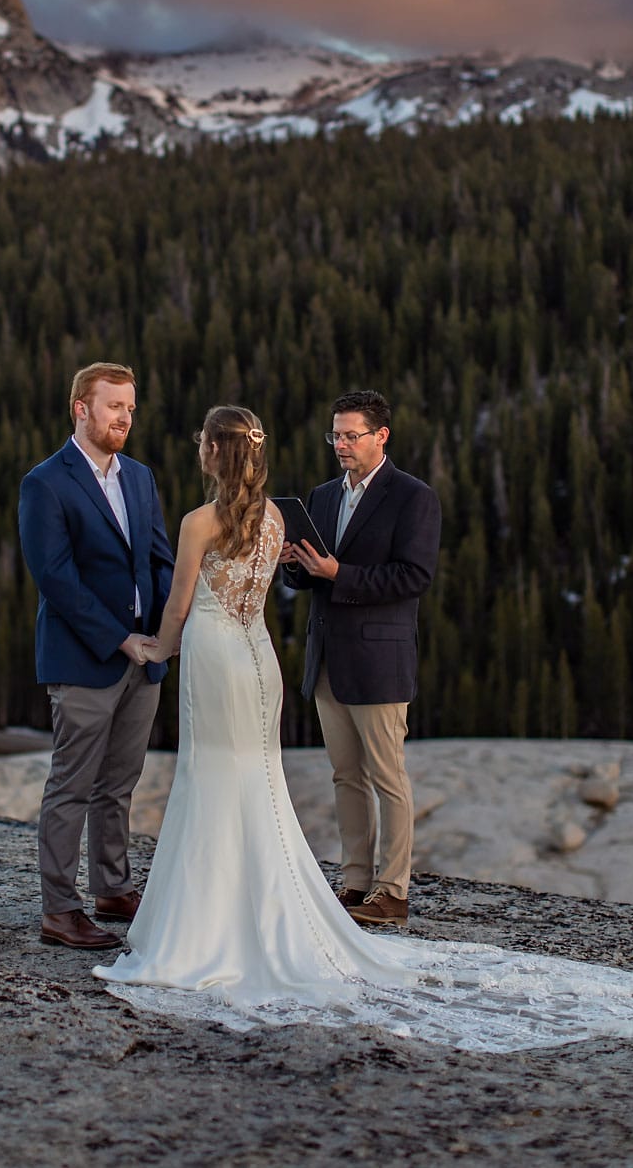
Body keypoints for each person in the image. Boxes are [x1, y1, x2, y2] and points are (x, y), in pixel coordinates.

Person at [94, 404, 633, 1051]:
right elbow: (268, 587)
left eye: (203, 444)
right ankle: (294, 903)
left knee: (217, 783)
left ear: (212, 454)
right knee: (261, 786)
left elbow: (179, 604)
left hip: (224, 661)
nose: (339, 443)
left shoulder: (203, 521)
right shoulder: (277, 515)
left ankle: (222, 923)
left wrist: (154, 649)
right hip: (263, 662)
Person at [18, 362, 174, 950]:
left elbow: (159, 559)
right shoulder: (46, 482)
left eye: (131, 408)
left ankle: (113, 888)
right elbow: (56, 580)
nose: (125, 418)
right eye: (114, 407)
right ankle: (60, 910)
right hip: (86, 659)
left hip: (144, 655)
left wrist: (161, 631)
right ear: (80, 408)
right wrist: (120, 638)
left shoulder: (139, 476)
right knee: (72, 786)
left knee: (119, 784)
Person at [281, 389, 440, 928]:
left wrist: (336, 575)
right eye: (336, 436)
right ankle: (355, 884)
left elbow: (413, 576)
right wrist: (295, 564)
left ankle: (392, 892)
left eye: (351, 435)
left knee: (387, 777)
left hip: (379, 661)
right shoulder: (322, 496)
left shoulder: (413, 497)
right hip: (327, 657)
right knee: (345, 776)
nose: (341, 445)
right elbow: (308, 575)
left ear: (382, 436)